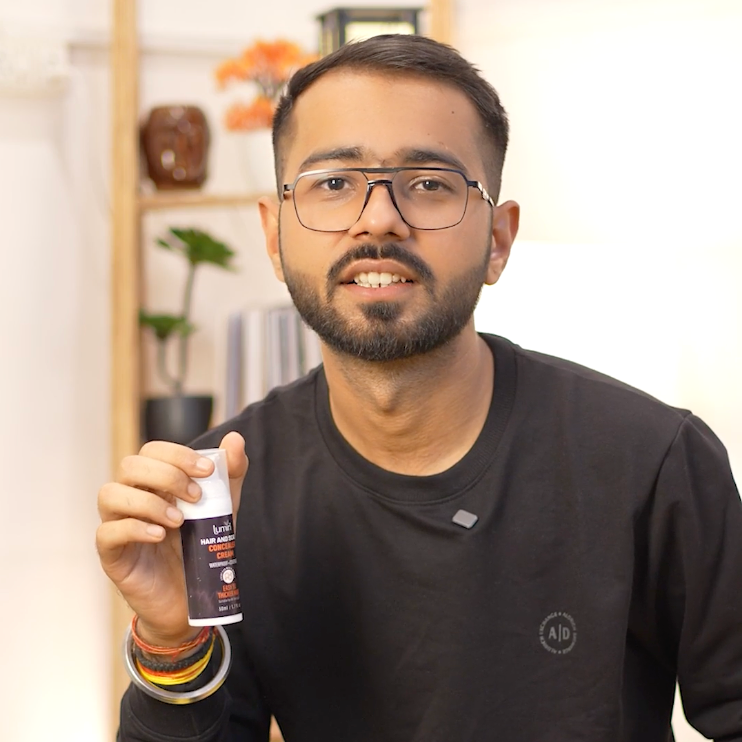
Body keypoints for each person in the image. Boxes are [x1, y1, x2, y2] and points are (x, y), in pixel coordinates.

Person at [97, 34, 742, 742]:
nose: (378, 219)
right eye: (334, 183)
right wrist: (171, 640)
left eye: (430, 184)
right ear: (275, 237)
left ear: (498, 239)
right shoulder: (221, 492)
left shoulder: (653, 462)